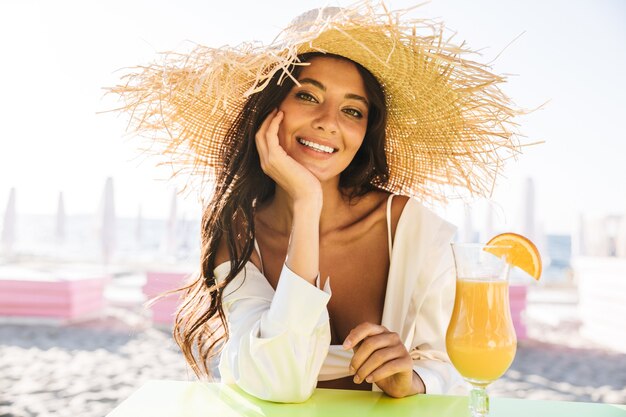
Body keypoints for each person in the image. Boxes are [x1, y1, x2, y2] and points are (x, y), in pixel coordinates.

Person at [111, 1, 521, 404]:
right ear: (271, 109)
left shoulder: (409, 226)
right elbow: (280, 381)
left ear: (365, 133)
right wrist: (307, 203)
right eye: (308, 96)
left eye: (353, 110)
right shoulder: (238, 230)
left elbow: (445, 366)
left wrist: (409, 379)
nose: (329, 121)